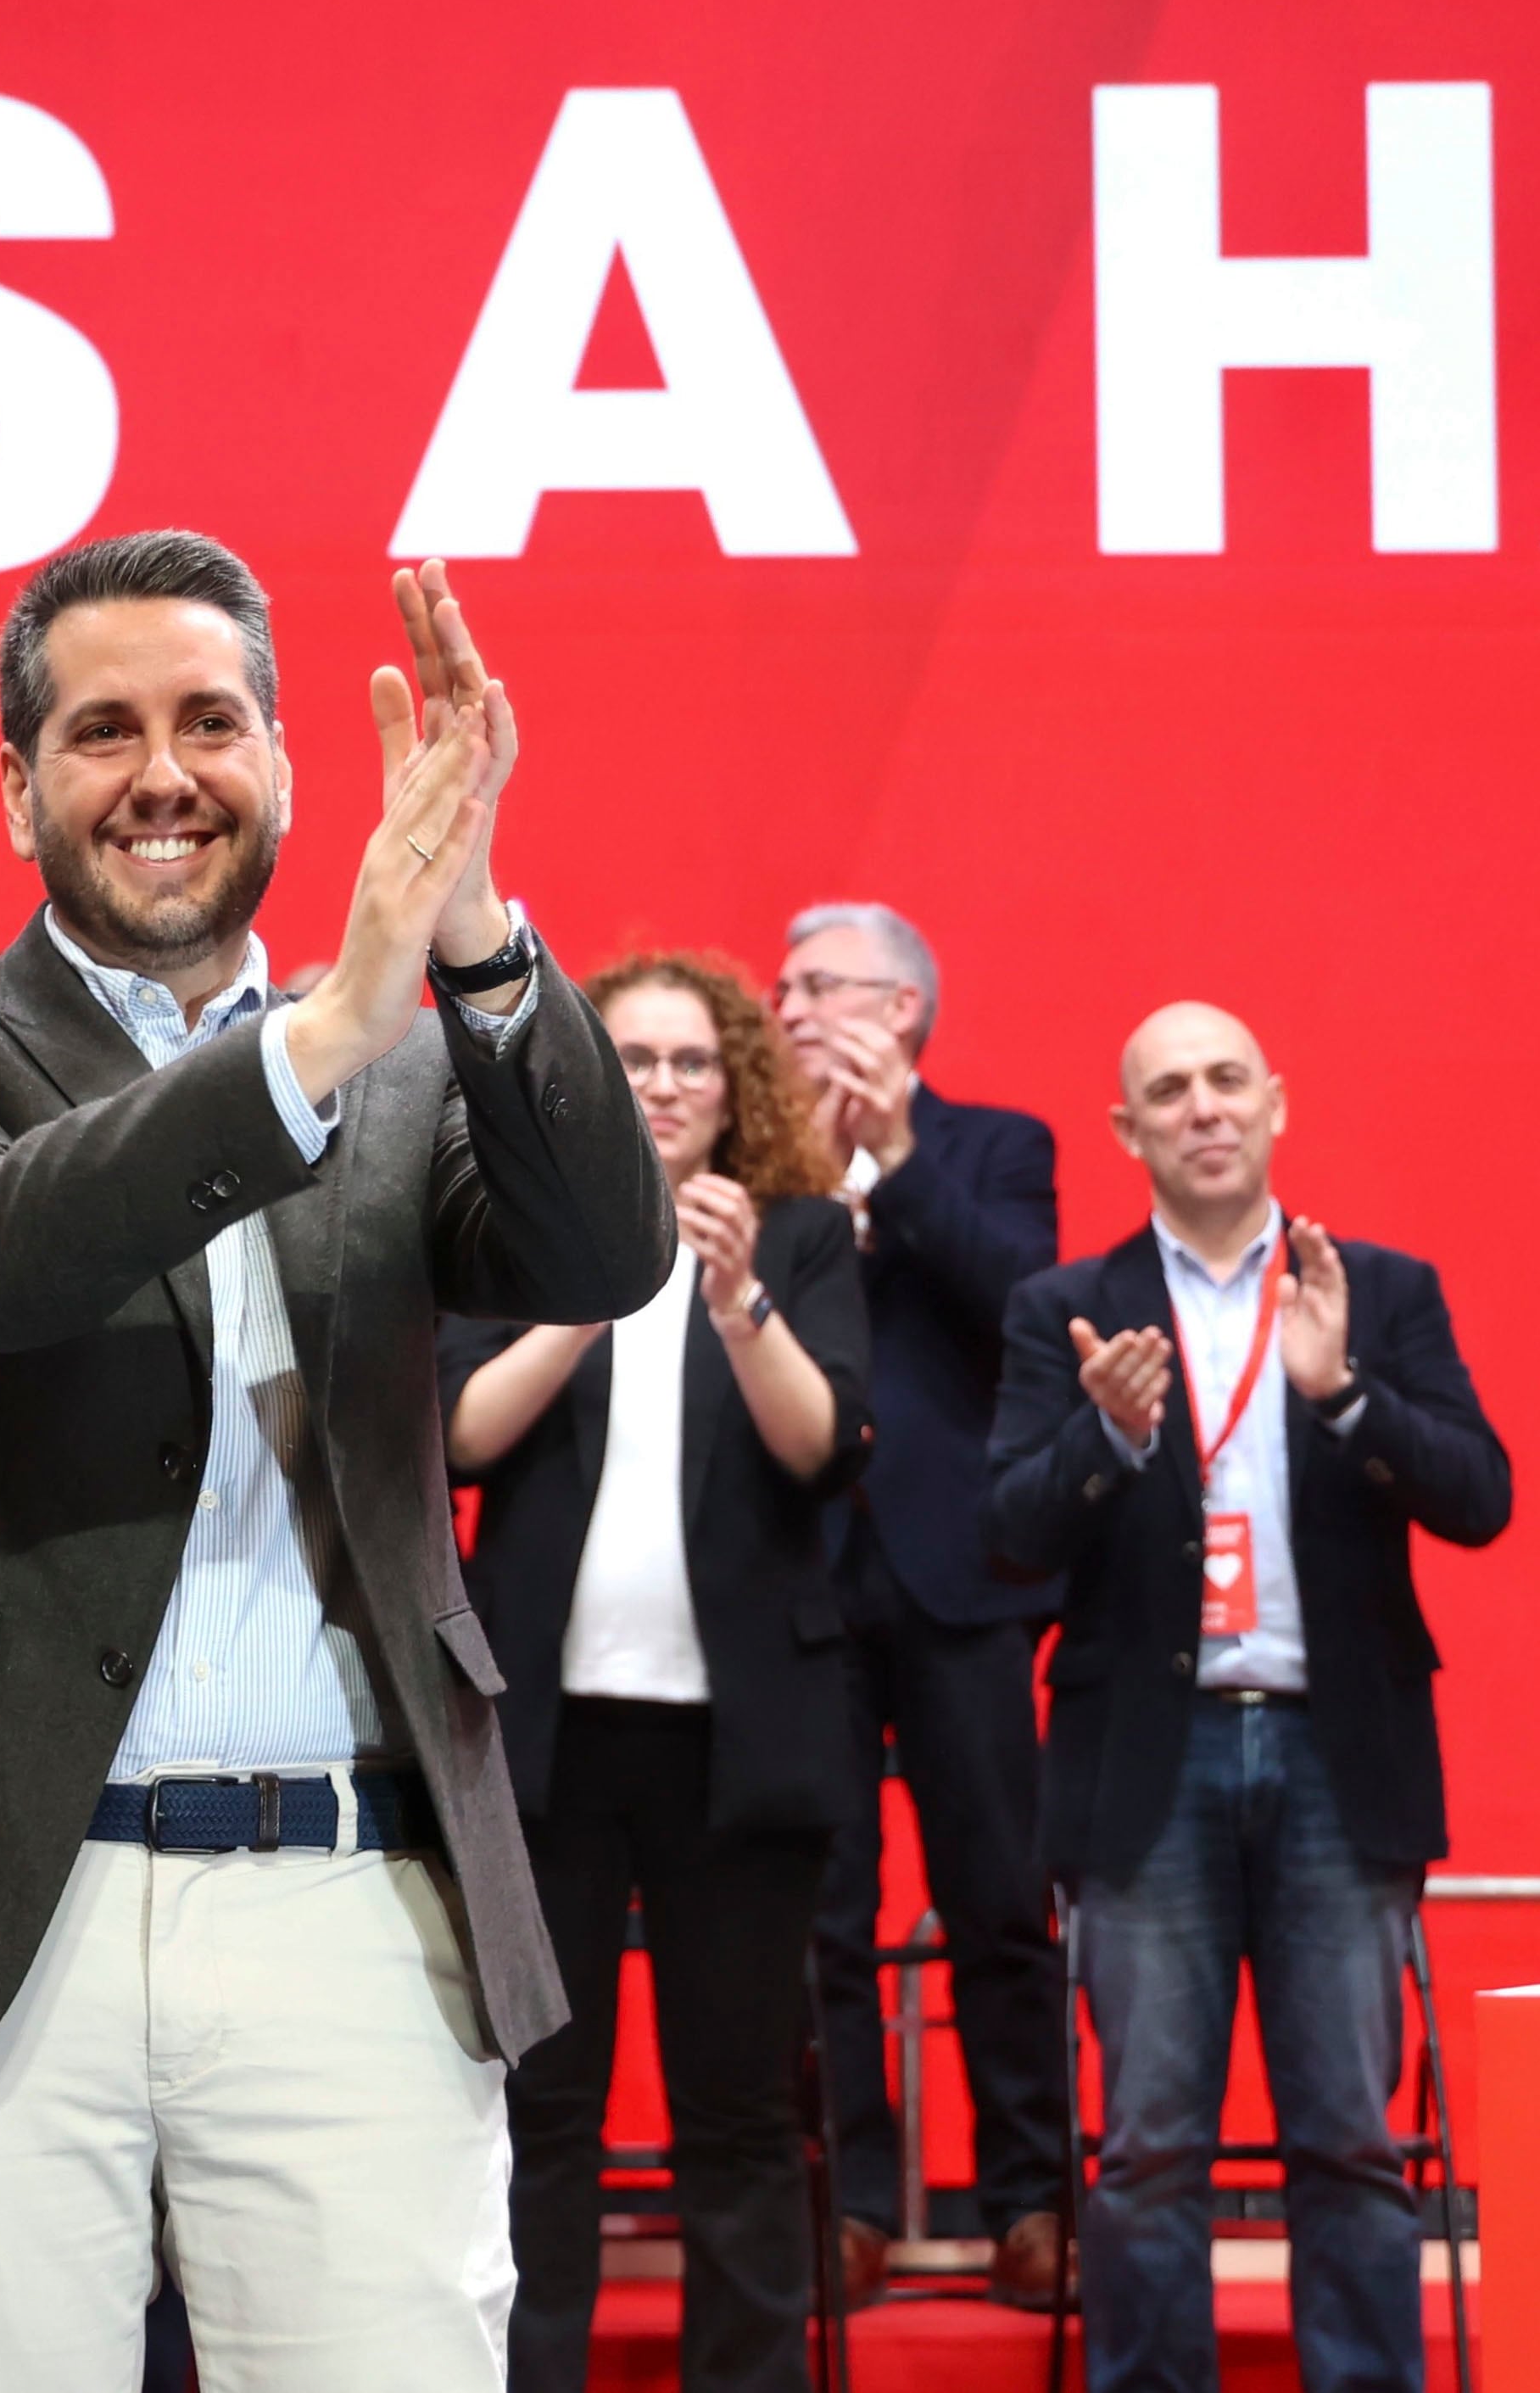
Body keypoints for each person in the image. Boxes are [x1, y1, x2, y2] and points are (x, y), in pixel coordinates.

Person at [0, 533, 675, 2393]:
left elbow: (605, 1256)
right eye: (99, 729)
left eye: (209, 721)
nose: (160, 774)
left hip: (350, 1896)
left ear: (284, 763)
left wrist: (467, 930)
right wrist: (313, 1039)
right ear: (15, 784)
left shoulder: (413, 1056)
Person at [990, 1003, 1509, 2393]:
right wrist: (1107, 1433)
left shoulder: (1379, 1288)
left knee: (1349, 2132)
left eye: (1228, 1080)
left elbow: (1482, 1493)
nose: (1204, 1105)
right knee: (1151, 2140)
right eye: (1171, 1088)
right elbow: (1007, 1531)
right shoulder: (1066, 1308)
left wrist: (1346, 1397)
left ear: (1275, 1102)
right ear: (1129, 1129)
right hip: (1143, 1768)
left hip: (1342, 1756)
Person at [438, 954, 871, 2393]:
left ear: (734, 1079)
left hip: (739, 1746)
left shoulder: (803, 1235)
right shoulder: (514, 1228)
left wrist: (736, 1294)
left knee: (740, 2110)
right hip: (552, 1742)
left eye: (693, 1059)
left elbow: (824, 1449)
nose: (668, 1085)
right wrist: (592, 1286)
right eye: (635, 1058)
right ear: (584, 1077)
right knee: (542, 2106)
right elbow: (461, 1439)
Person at [767, 903, 1069, 2306]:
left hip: (964, 1568)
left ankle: (1031, 2192)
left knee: (1000, 1895)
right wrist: (813, 1178)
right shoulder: (756, 1153)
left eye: (818, 982)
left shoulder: (999, 1145)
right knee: (821, 1910)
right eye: (782, 983)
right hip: (799, 1564)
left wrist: (891, 1156)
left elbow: (1028, 1299)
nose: (789, 1001)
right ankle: (853, 2198)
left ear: (901, 1008)